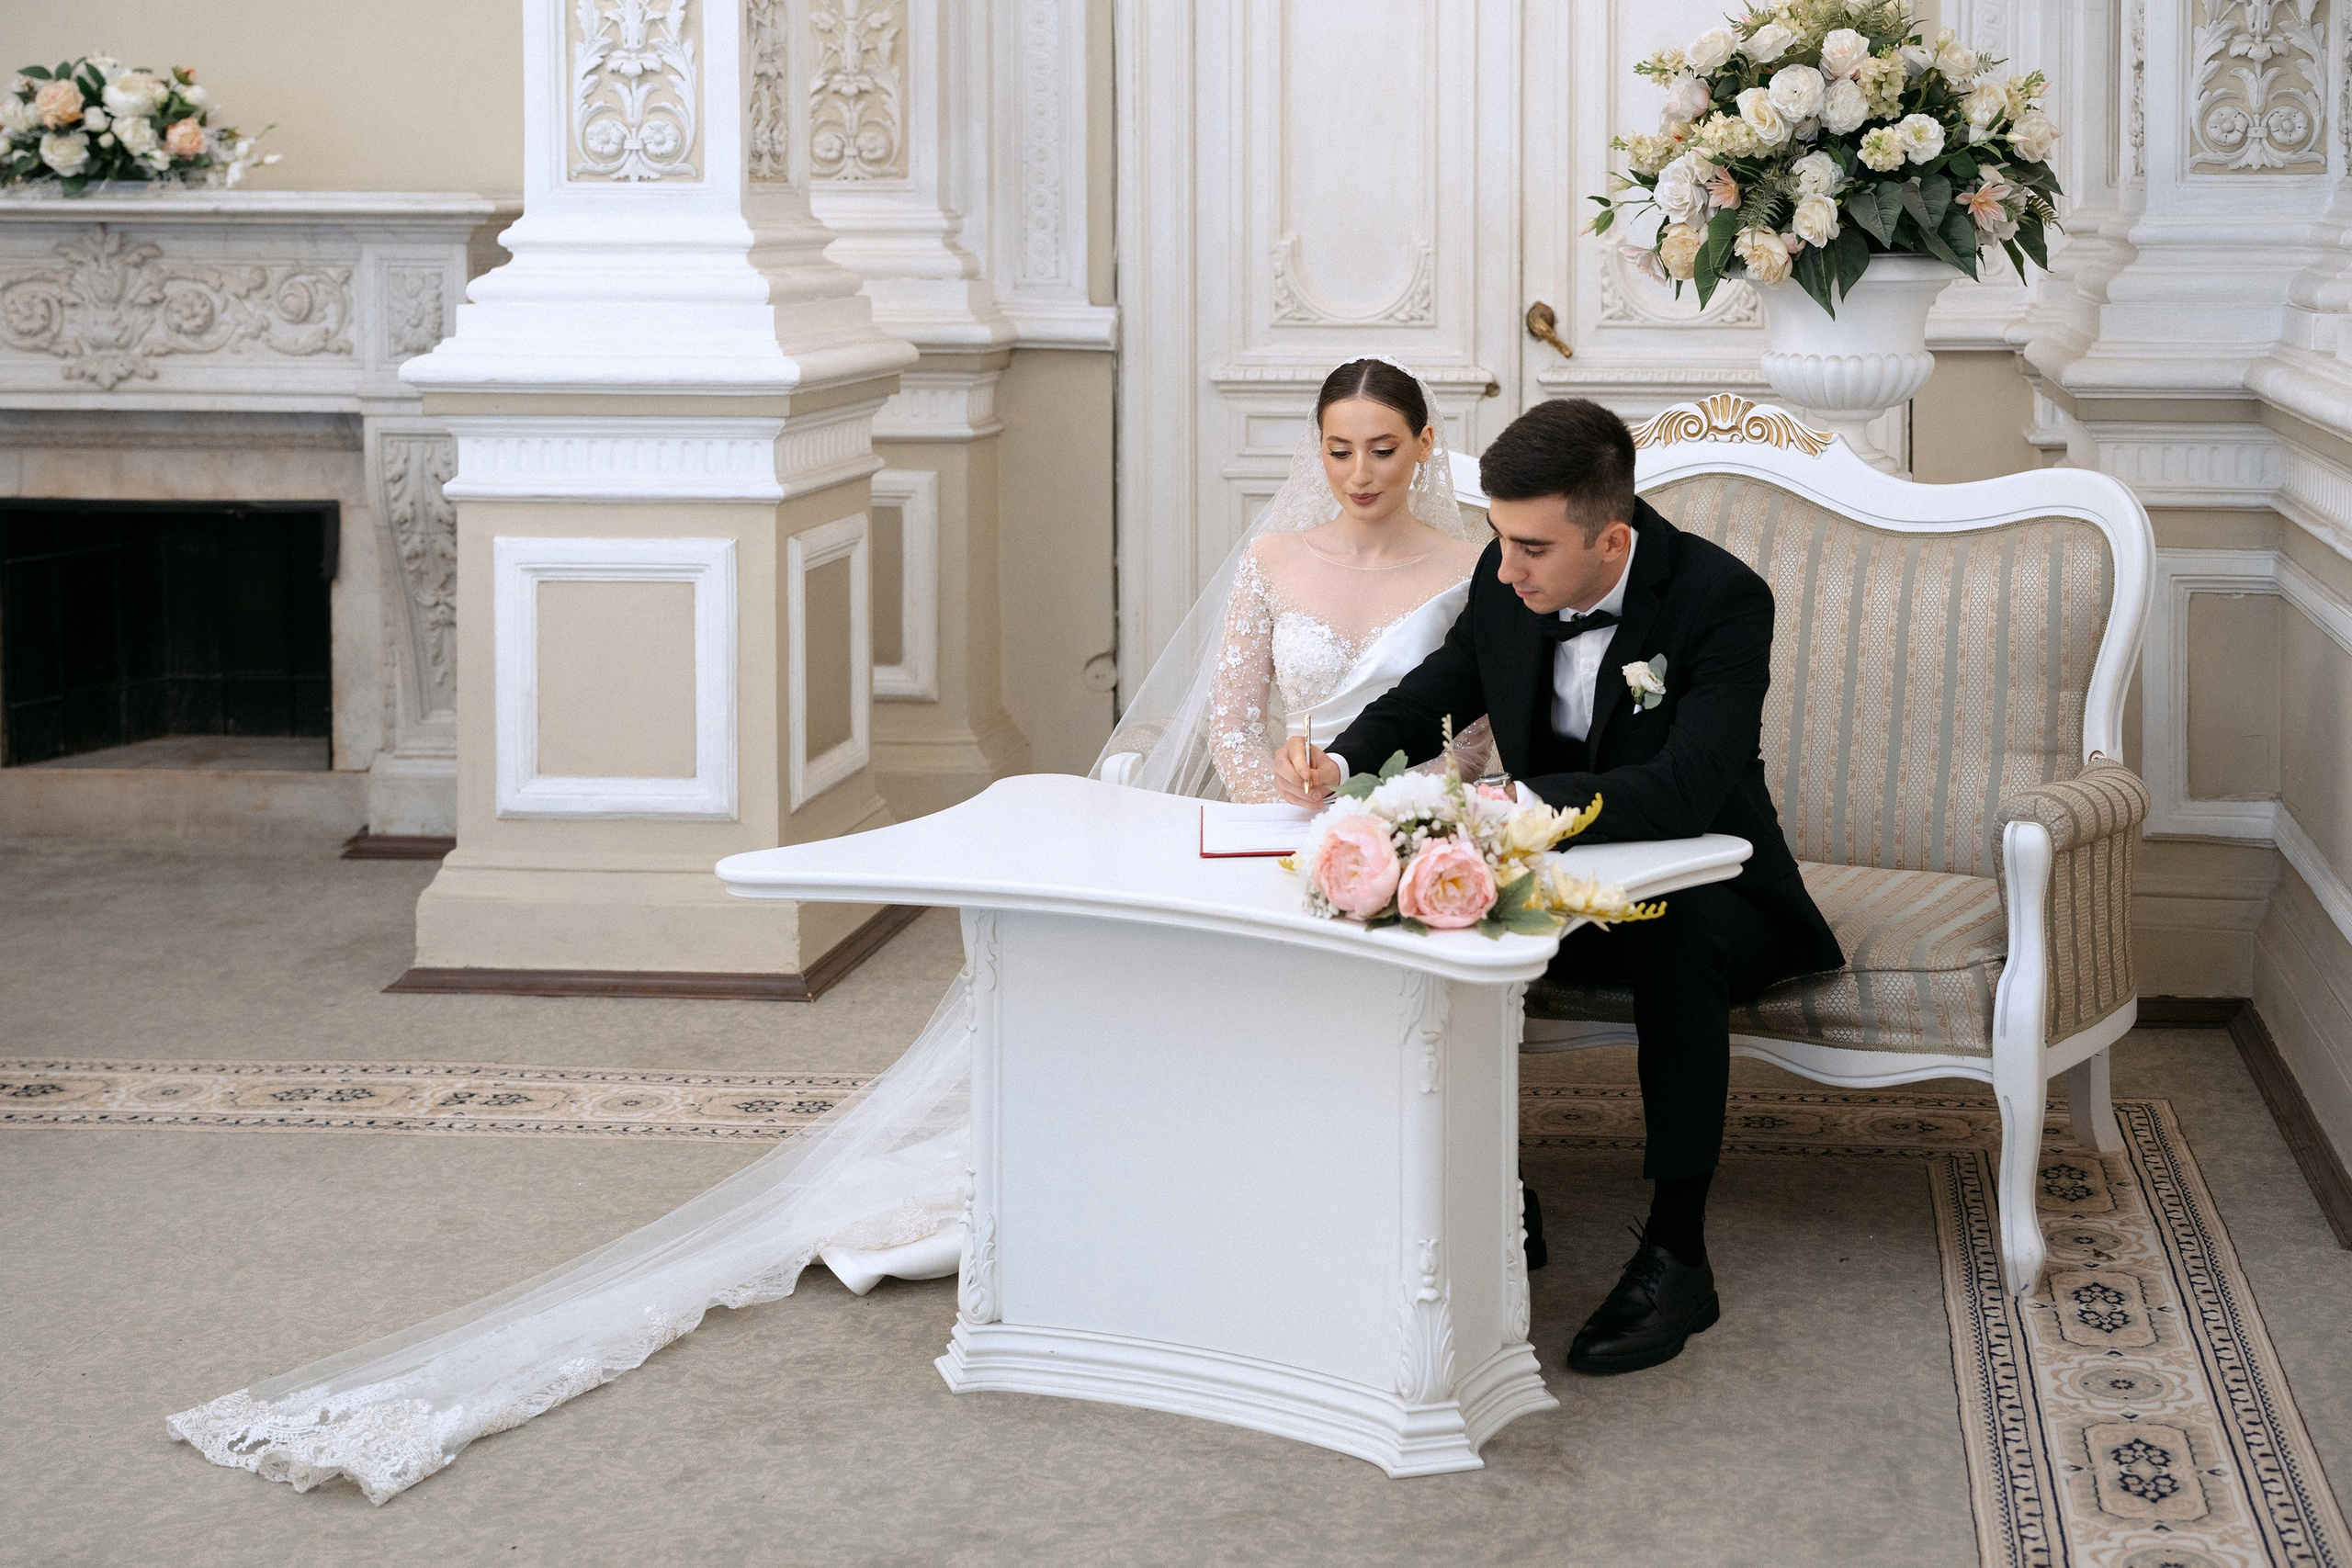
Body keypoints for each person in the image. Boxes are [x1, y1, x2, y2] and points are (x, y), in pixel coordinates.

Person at [166, 358, 1494, 1505]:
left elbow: (1480, 721)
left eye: (1383, 449)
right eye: (1337, 448)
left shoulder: (1471, 564)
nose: (1359, 471)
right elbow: (1231, 727)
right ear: (1312, 450)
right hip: (1273, 828)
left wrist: (1400, 813)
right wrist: (1295, 804)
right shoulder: (1271, 559)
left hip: (1403, 830)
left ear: (1425, 447)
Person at [1279, 397, 1844, 1376]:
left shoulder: (1720, 599)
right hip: (1562, 883)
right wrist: (1338, 762)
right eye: (1500, 540)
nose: (1505, 569)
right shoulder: (1508, 581)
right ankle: (1490, 1198)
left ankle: (1676, 1251)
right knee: (1421, 904)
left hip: (1718, 891)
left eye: (1531, 547)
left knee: (1672, 929)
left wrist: (1510, 798)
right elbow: (1437, 686)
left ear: (1611, 537)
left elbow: (1685, 788)